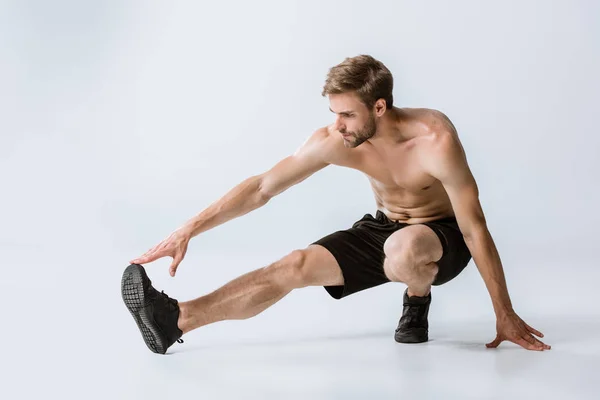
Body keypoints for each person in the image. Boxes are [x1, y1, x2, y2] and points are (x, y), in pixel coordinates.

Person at [121, 54, 551, 355]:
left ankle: (416, 298)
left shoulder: (434, 140)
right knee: (294, 265)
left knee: (403, 251)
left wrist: (505, 313)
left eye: (346, 114)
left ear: (379, 106)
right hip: (385, 229)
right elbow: (261, 188)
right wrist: (188, 229)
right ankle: (174, 320)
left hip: (443, 237)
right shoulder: (335, 140)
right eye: (333, 112)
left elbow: (474, 226)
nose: (336, 125)